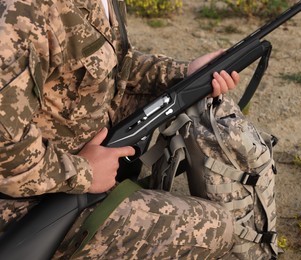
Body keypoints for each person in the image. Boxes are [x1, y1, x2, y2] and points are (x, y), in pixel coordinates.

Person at [0, 0, 241, 259]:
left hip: (83, 159)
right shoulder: (24, 11)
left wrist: (186, 72)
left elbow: (115, 63)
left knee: (209, 101)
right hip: (34, 198)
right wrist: (84, 172)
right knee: (218, 227)